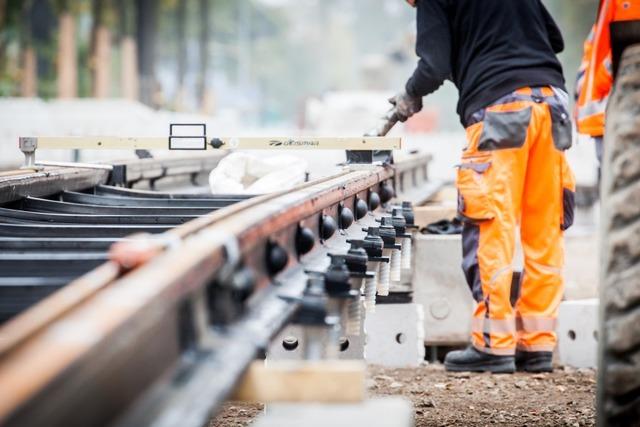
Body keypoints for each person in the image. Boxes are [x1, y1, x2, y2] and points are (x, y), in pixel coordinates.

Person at [391, 0, 575, 373]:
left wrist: (411, 93)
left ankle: (494, 344)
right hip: (552, 106)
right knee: (545, 232)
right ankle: (536, 344)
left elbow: (434, 65)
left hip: (500, 110)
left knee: (492, 226)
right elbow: (553, 39)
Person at [575, 0, 640, 164]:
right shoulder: (608, 7)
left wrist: (602, 79)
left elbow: (630, 49)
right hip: (607, 117)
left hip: (622, 116)